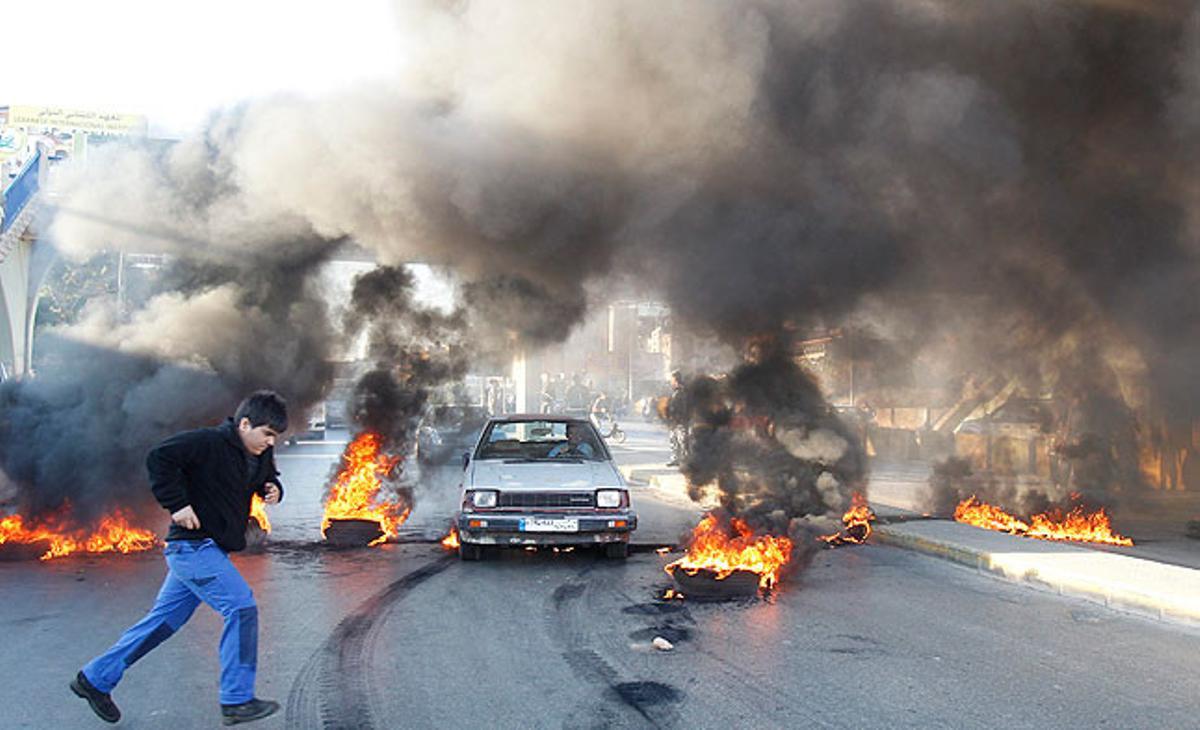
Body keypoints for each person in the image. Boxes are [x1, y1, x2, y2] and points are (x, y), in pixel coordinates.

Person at [71, 391, 288, 726]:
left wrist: (272, 488)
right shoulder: (208, 442)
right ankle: (236, 699)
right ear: (245, 424)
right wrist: (178, 504)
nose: (270, 442)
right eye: (267, 434)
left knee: (160, 624)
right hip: (193, 548)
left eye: (275, 437)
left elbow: (264, 477)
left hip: (208, 550)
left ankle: (94, 679)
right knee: (241, 608)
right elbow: (159, 458)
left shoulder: (257, 453)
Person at [666, 371, 689, 467]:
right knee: (674, 440)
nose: (670, 382)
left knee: (682, 441)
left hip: (680, 421)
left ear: (676, 380)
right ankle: (676, 459)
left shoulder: (681, 392)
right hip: (675, 421)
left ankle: (686, 461)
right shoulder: (676, 392)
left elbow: (682, 407)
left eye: (672, 379)